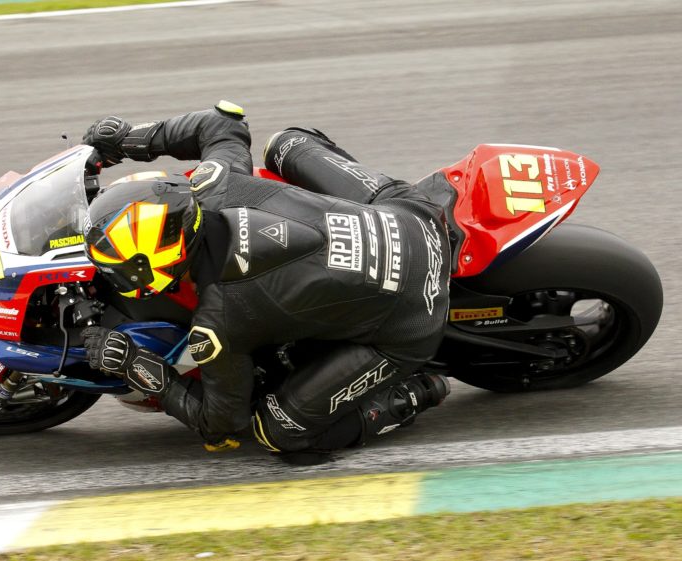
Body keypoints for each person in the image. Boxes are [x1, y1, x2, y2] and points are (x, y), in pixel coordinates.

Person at [81, 101, 451, 457]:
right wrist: (131, 137)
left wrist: (136, 366)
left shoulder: (221, 319)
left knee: (278, 430)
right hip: (413, 214)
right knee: (287, 143)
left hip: (413, 319)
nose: (113, 269)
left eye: (119, 263)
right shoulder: (219, 182)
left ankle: (413, 394)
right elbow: (222, 124)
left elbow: (221, 421)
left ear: (159, 263)